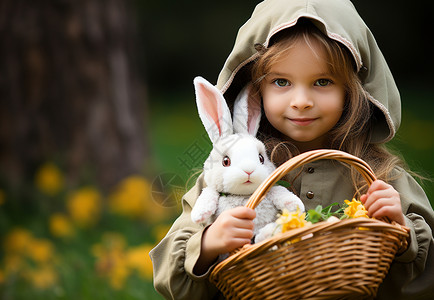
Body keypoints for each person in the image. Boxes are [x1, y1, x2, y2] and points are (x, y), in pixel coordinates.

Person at [149, 0, 434, 299]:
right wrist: (208, 244)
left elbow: (425, 282)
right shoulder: (232, 173)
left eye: (322, 81)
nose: (301, 101)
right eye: (281, 82)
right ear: (255, 92)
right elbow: (169, 278)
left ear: (353, 91)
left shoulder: (378, 178)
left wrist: (401, 232)